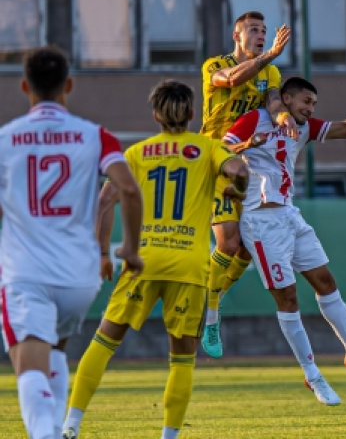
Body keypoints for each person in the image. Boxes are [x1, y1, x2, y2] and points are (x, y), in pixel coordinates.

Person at [62, 80, 248, 439]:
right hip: (190, 268)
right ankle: (169, 436)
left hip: (143, 261)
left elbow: (102, 203)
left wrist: (102, 252)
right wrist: (235, 189)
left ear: (155, 116)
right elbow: (239, 172)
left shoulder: (136, 154)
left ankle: (71, 424)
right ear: (193, 114)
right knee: (181, 357)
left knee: (103, 342)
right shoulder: (208, 148)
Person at [0, 46, 143, 439]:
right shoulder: (96, 136)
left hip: (26, 272)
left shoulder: (5, 139)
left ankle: (45, 434)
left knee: (27, 361)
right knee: (56, 351)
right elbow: (127, 189)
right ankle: (57, 429)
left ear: (25, 86)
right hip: (79, 278)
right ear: (70, 85)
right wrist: (129, 248)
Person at [224, 77, 346, 407]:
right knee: (287, 298)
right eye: (305, 102)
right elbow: (219, 149)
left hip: (290, 215)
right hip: (259, 221)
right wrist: (248, 145)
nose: (310, 108)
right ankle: (312, 375)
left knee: (326, 282)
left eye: (313, 104)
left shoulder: (303, 127)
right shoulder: (253, 120)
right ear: (285, 98)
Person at [200, 11, 294, 359]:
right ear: (236, 35)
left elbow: (272, 102)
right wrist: (268, 54)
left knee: (244, 250)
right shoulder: (213, 64)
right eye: (254, 30)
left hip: (247, 164)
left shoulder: (270, 72)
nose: (260, 35)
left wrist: (284, 117)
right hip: (213, 159)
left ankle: (212, 297)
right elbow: (228, 80)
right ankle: (210, 319)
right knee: (228, 241)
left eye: (264, 31)